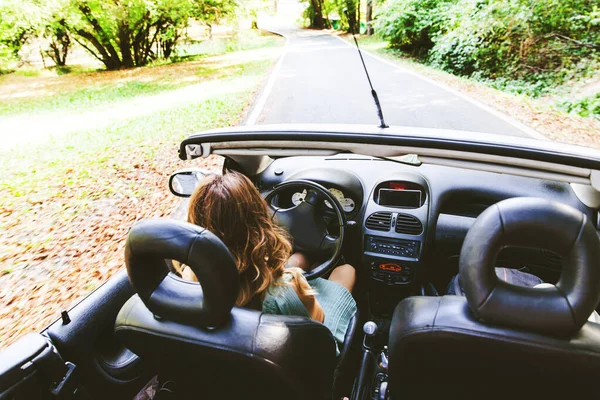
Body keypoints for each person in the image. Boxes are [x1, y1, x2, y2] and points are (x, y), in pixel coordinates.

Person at [175, 171, 357, 353]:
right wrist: (305, 293)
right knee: (346, 270)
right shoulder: (285, 289)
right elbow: (318, 323)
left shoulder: (189, 276)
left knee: (298, 259)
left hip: (240, 350)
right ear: (258, 217)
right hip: (307, 349)